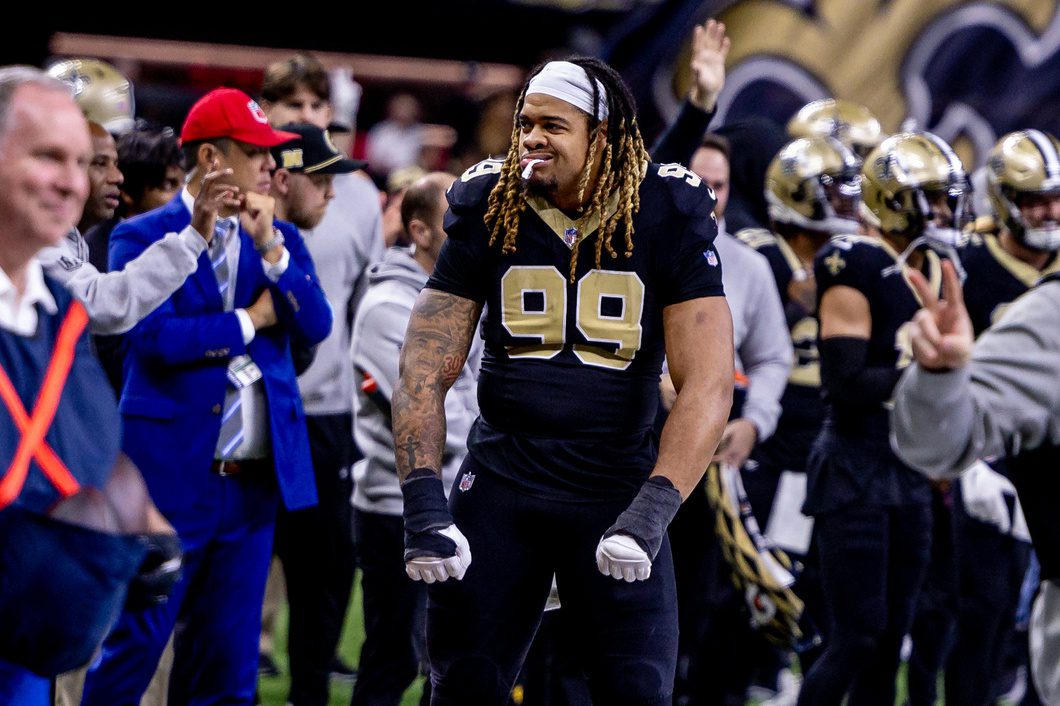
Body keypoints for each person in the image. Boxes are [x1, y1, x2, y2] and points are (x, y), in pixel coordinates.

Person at [393, 57, 733, 705]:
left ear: (602, 135)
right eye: (525, 123)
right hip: (503, 485)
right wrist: (423, 499)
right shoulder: (489, 202)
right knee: (463, 686)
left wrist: (655, 508)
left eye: (553, 124)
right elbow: (423, 366)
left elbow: (708, 384)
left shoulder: (663, 207)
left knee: (637, 691)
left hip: (615, 489)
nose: (531, 138)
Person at [80, 87, 332, 706]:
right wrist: (249, 322)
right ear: (215, 158)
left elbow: (317, 324)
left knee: (229, 666)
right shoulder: (141, 235)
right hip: (166, 474)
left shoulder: (276, 236)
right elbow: (154, 339)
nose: (274, 168)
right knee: (135, 645)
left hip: (249, 485)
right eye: (258, 154)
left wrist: (273, 247)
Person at [0, 65, 174, 706]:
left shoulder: (57, 315)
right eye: (48, 156)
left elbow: (86, 451)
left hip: (26, 648)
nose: (73, 182)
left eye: (83, 160)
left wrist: (138, 525)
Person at [795, 131, 971, 706]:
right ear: (894, 200)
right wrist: (928, 372)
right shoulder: (855, 261)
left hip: (912, 469)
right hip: (856, 466)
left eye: (948, 198)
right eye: (932, 198)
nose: (943, 211)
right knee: (858, 634)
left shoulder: (940, 263)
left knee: (894, 632)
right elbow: (845, 384)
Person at [901, 129, 1060, 706]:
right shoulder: (963, 264)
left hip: (1042, 471)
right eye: (1034, 198)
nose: (1049, 211)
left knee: (1016, 622)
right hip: (978, 464)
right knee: (974, 608)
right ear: (1004, 200)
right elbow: (921, 376)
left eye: (1055, 196)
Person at [259, 52, 384, 701]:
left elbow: (371, 300)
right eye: (294, 107)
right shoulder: (245, 196)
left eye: (316, 107)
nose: (307, 117)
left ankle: (308, 684)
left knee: (328, 564)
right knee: (246, 559)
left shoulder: (357, 192)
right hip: (256, 408)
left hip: (331, 409)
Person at [350, 171, 479, 706]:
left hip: (457, 502)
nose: (471, 233)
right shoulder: (385, 309)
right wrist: (489, 417)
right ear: (421, 232)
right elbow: (433, 413)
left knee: (447, 659)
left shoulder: (466, 299)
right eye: (457, 223)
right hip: (393, 507)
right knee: (395, 656)